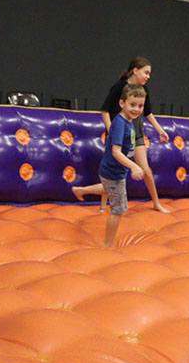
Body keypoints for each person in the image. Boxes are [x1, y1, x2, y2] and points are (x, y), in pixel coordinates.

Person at [73, 83, 146, 246]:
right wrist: (134, 166)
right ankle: (108, 244)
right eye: (132, 105)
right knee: (118, 211)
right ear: (122, 103)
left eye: (140, 106)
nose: (136, 109)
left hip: (113, 170)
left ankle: (81, 190)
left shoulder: (128, 121)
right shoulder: (120, 124)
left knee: (108, 188)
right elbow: (115, 151)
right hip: (113, 171)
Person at [99, 57, 170, 213]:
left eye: (149, 74)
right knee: (112, 171)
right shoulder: (120, 87)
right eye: (146, 72)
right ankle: (103, 204)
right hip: (118, 137)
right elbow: (105, 111)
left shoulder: (144, 90)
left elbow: (148, 112)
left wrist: (160, 130)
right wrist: (111, 133)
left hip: (136, 136)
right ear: (135, 70)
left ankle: (156, 203)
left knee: (146, 170)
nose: (148, 76)